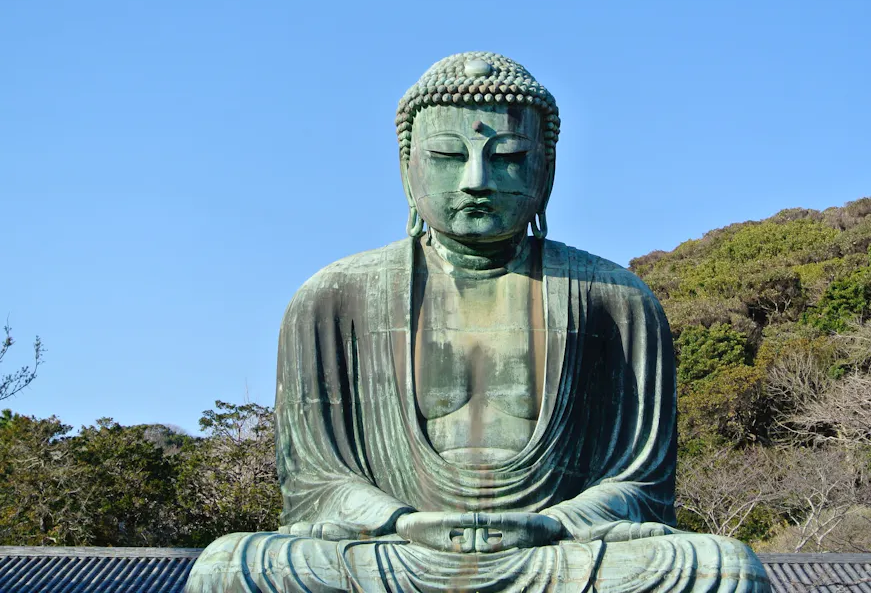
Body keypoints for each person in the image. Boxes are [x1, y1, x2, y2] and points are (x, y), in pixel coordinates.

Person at [185, 52, 771, 593]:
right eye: (445, 156)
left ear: (547, 168)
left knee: (723, 571)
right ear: (406, 166)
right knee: (226, 569)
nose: (476, 180)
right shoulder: (332, 299)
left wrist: (547, 525)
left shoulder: (615, 301)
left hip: (557, 552)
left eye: (509, 157)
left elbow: (640, 484)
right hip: (396, 553)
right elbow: (314, 485)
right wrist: (403, 522)